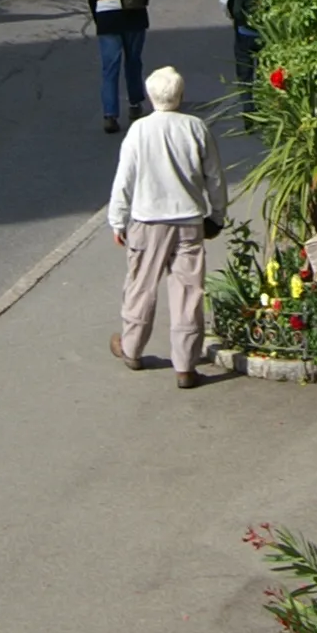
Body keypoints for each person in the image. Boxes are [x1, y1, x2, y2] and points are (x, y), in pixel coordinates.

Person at [108, 65, 227, 390]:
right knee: (188, 292)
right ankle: (186, 365)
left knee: (141, 285)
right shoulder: (196, 127)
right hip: (188, 220)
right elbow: (214, 176)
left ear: (149, 95)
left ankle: (132, 348)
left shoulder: (139, 130)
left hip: (147, 221)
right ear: (181, 95)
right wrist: (217, 214)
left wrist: (117, 219)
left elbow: (125, 179)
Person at [86, 0, 155, 133]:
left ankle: (110, 115)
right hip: (134, 16)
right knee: (133, 61)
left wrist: (98, 19)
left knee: (110, 68)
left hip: (107, 19)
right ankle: (135, 105)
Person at [220, 0, 268, 94]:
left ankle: (247, 108)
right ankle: (263, 103)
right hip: (267, 35)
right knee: (265, 73)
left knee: (244, 75)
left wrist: (236, 19)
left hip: (244, 33)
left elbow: (225, 3)